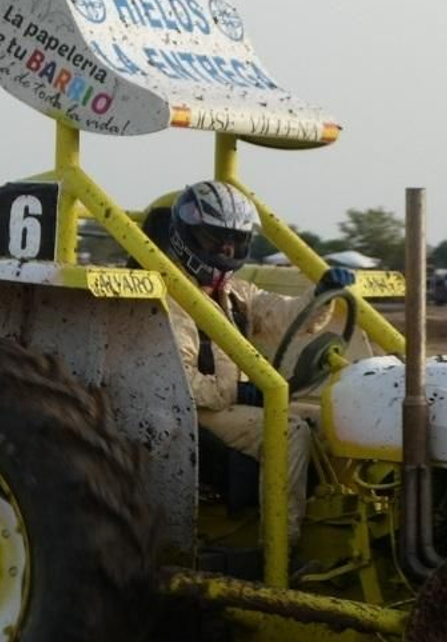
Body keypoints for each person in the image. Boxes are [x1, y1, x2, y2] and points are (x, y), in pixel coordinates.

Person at [149, 180, 353, 550]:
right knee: (288, 432)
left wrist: (322, 295)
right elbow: (176, 381)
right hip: (195, 412)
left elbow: (285, 316)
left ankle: (339, 526)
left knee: (333, 418)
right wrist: (238, 391)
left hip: (233, 403)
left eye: (235, 240)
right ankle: (278, 549)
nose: (227, 249)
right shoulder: (170, 297)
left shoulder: (237, 293)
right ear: (187, 235)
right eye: (216, 239)